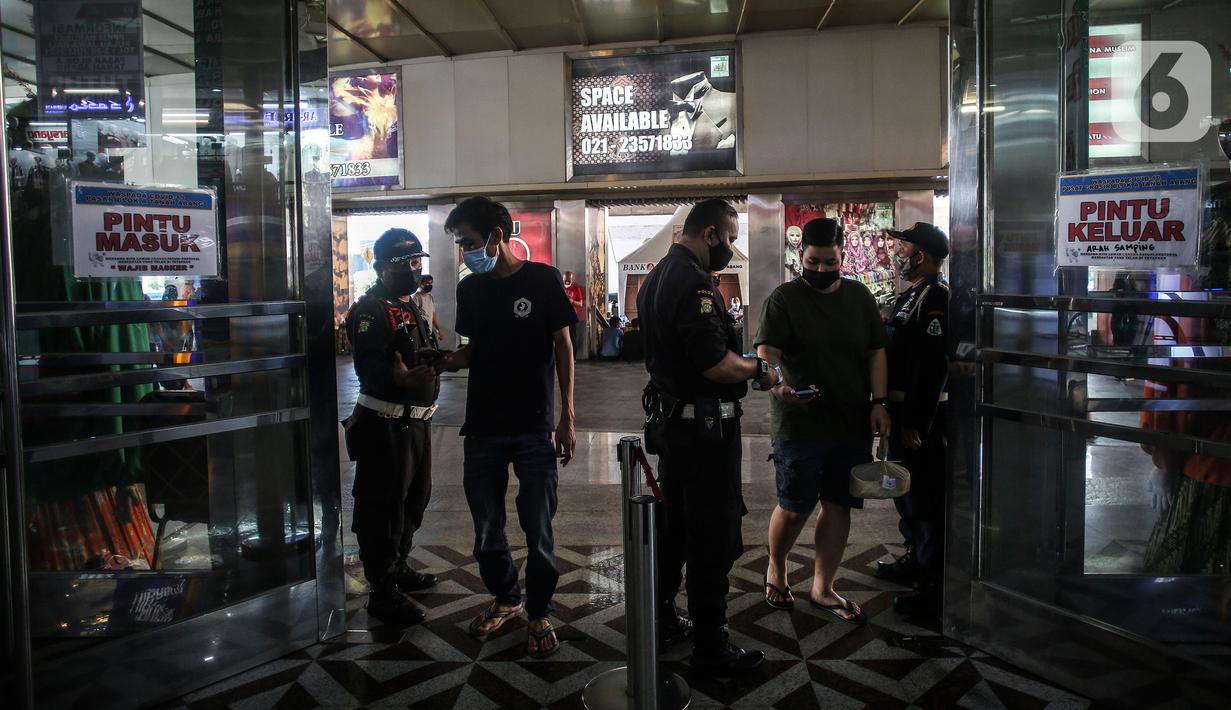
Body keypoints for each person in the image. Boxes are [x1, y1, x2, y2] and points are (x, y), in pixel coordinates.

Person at [639, 198, 780, 675]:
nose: (733, 247)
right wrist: (760, 369)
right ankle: (711, 647)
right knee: (712, 534)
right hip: (704, 433)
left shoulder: (658, 274)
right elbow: (716, 363)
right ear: (711, 234)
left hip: (674, 428)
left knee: (675, 528)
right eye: (732, 238)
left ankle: (661, 619)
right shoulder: (695, 283)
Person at [435, 196, 577, 659]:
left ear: (497, 237)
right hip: (482, 428)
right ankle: (507, 598)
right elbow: (473, 349)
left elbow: (563, 346)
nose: (465, 254)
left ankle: (539, 610)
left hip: (534, 426)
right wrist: (440, 363)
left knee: (538, 528)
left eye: (470, 243)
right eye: (459, 246)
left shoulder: (543, 280)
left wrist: (567, 417)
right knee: (486, 530)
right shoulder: (470, 289)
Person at [755, 217, 890, 625]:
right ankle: (776, 568)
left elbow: (875, 352)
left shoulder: (860, 298)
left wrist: (879, 402)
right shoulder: (783, 299)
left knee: (838, 505)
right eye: (813, 262)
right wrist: (778, 386)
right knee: (795, 506)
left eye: (830, 263)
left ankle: (823, 586)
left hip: (849, 422)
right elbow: (767, 353)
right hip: (800, 423)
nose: (820, 270)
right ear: (801, 256)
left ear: (843, 257)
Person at [342, 228, 441, 627]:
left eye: (417, 261)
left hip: (416, 424)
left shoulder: (413, 304)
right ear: (381, 267)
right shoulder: (370, 309)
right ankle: (381, 590)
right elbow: (369, 368)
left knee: (413, 501)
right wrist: (397, 379)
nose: (414, 270)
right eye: (404, 264)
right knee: (383, 507)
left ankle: (398, 566)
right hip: (385, 424)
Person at [875, 223, 950, 620]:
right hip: (903, 413)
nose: (897, 254)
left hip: (922, 418)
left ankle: (934, 588)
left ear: (919, 254)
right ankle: (915, 558)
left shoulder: (935, 297)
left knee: (924, 500)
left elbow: (932, 366)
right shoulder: (912, 296)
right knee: (906, 493)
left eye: (902, 248)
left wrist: (916, 423)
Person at [411, 274, 444, 342]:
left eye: (431, 283)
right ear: (421, 284)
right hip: (421, 333)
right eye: (427, 283)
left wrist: (439, 329)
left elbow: (433, 314)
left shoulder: (430, 297)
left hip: (429, 332)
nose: (429, 285)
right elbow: (413, 316)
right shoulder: (416, 297)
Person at [563, 271, 585, 357]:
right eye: (565, 280)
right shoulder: (559, 287)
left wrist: (572, 301)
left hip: (571, 315)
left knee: (572, 336)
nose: (567, 282)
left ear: (572, 279)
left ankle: (573, 357)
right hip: (560, 315)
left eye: (569, 280)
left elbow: (580, 304)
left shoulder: (576, 289)